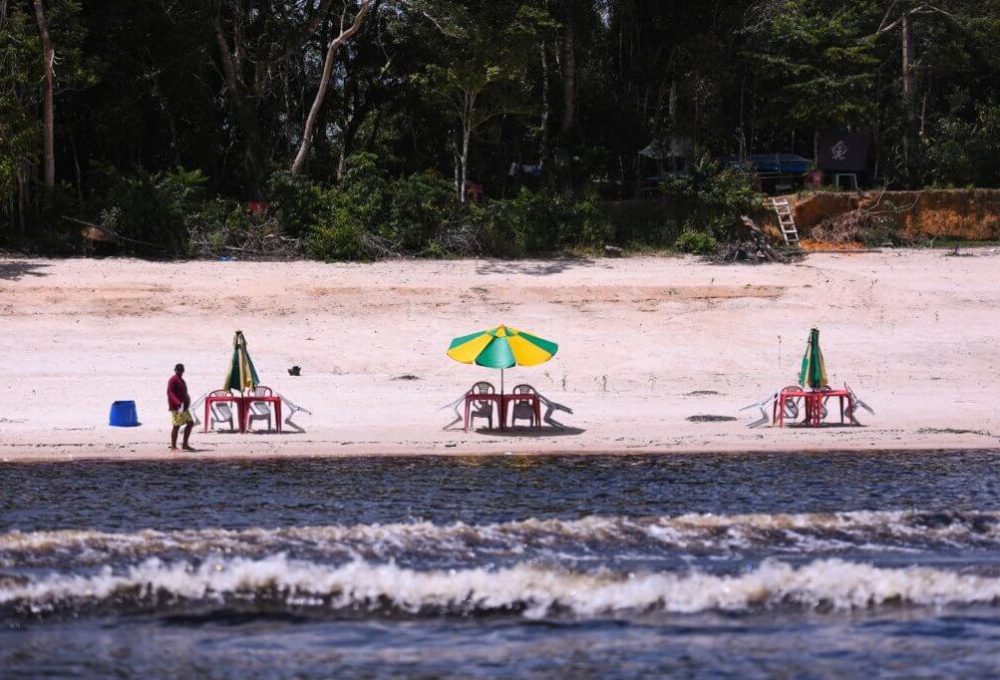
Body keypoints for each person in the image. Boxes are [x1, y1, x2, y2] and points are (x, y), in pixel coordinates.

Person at [168, 363, 194, 450]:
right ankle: (173, 446)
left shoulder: (181, 380)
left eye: (181, 370)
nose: (180, 372)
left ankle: (185, 444)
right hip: (177, 408)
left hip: (184, 407)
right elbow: (170, 393)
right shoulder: (173, 380)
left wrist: (187, 400)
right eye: (178, 370)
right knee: (176, 426)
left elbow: (184, 392)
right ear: (175, 370)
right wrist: (177, 403)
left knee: (190, 423)